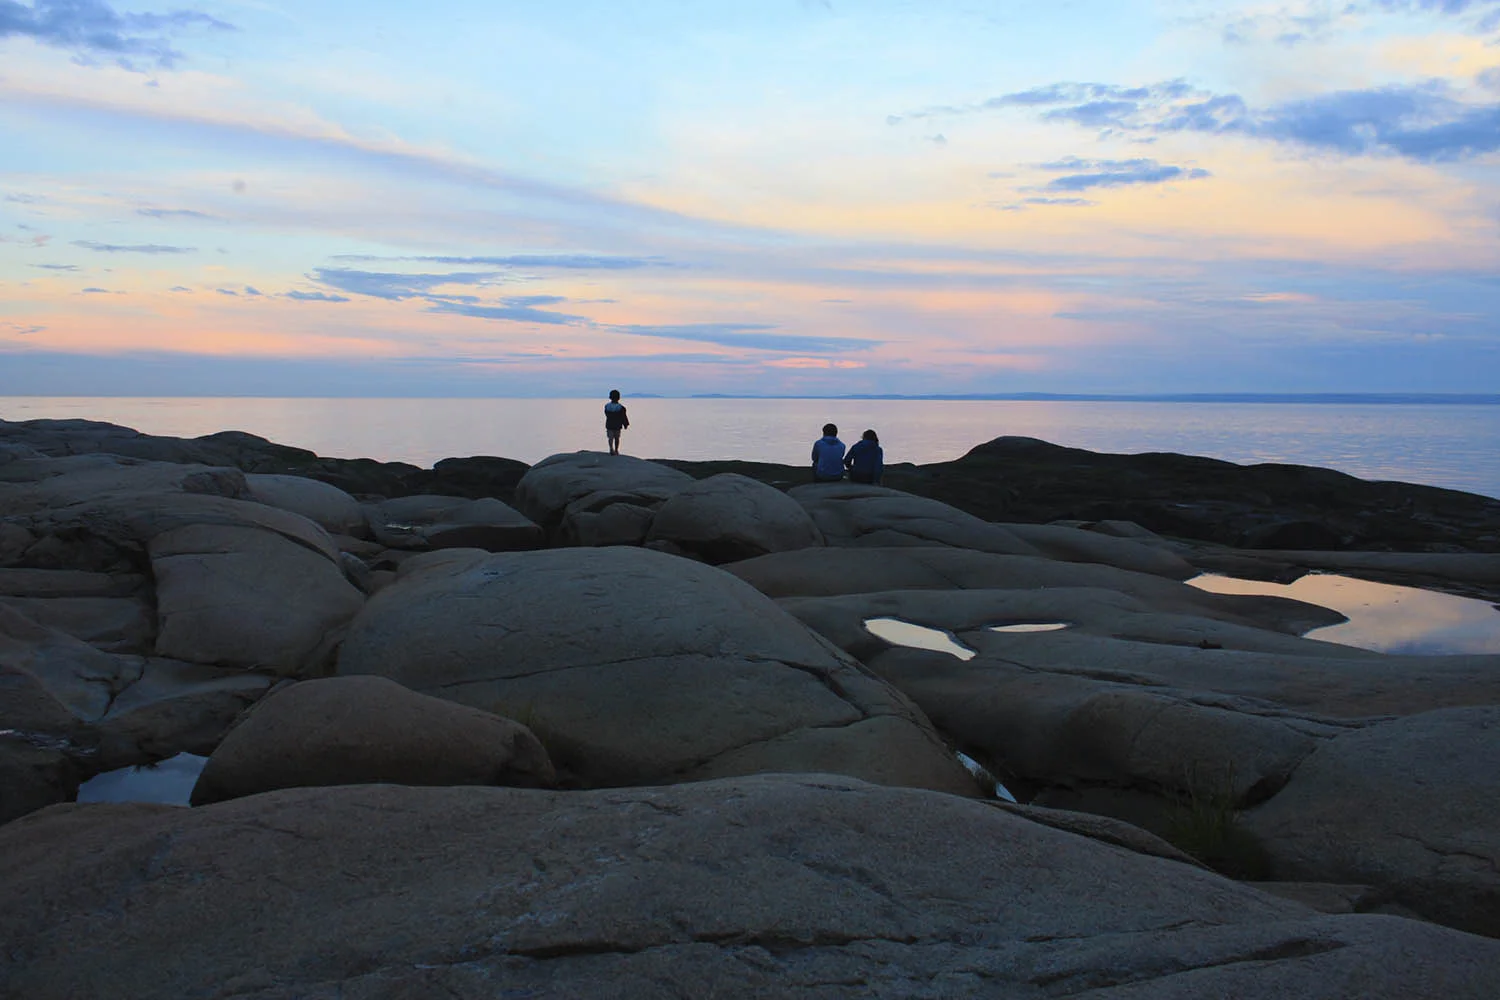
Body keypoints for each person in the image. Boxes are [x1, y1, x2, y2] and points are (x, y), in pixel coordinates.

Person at [604, 389, 629, 455]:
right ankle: (616, 450)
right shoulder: (621, 407)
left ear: (610, 397)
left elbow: (607, 415)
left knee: (610, 438)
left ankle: (611, 449)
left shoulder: (607, 406)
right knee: (617, 438)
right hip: (617, 425)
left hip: (609, 424)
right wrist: (625, 424)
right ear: (619, 398)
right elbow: (623, 417)